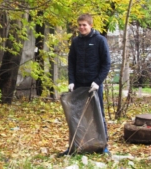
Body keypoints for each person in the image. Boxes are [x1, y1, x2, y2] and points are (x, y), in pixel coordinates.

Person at [61, 13, 111, 156]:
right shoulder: (76, 42)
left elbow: (106, 63)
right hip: (78, 86)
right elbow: (71, 63)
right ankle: (75, 145)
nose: (82, 28)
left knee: (97, 115)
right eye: (80, 25)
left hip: (93, 85)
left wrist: (97, 81)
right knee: (75, 116)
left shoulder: (100, 41)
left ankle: (103, 145)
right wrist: (71, 81)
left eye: (84, 25)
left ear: (91, 25)